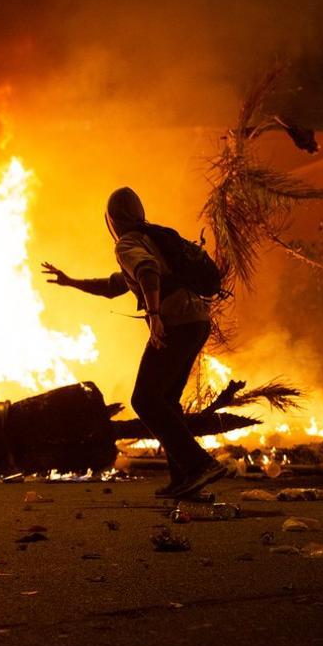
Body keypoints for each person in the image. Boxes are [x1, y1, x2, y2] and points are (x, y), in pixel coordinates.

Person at [42, 187, 228, 499]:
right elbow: (115, 285)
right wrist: (71, 281)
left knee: (144, 399)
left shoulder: (128, 243)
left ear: (112, 221)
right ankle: (184, 478)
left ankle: (198, 464)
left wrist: (154, 315)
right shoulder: (149, 238)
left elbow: (147, 271)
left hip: (176, 322)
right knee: (166, 401)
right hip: (197, 321)